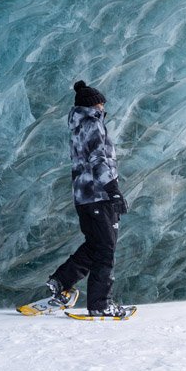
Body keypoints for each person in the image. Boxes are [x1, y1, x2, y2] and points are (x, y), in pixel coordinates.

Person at [39, 79, 132, 318]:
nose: (103, 108)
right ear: (94, 105)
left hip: (84, 198)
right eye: (101, 104)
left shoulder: (77, 126)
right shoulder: (93, 125)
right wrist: (113, 190)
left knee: (95, 245)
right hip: (99, 196)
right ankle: (101, 304)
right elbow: (98, 160)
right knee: (106, 250)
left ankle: (60, 281)